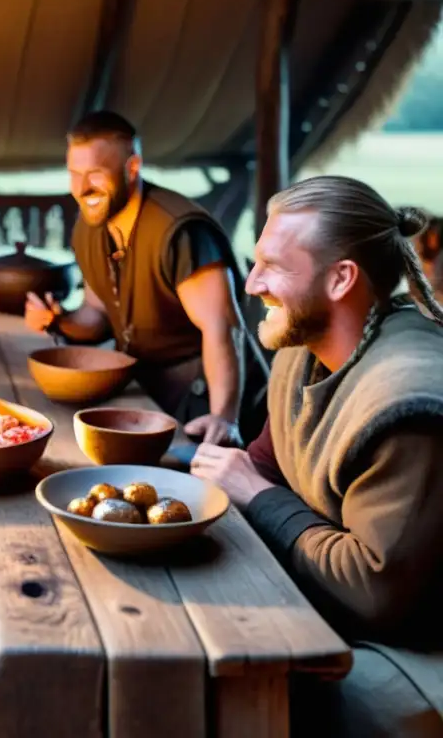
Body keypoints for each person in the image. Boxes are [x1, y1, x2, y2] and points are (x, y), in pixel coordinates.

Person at [190, 176, 443, 737]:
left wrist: (255, 494)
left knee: (235, 695)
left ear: (341, 279)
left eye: (272, 266)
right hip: (334, 611)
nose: (251, 284)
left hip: (416, 650)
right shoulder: (305, 350)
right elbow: (266, 465)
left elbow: (373, 592)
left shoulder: (409, 405)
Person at [25, 111, 268, 446]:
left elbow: (223, 328)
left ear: (132, 167)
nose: (82, 189)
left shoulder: (179, 231)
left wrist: (225, 418)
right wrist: (57, 319)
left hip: (217, 395)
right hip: (152, 389)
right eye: (74, 174)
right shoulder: (91, 227)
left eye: (95, 173)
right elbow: (96, 314)